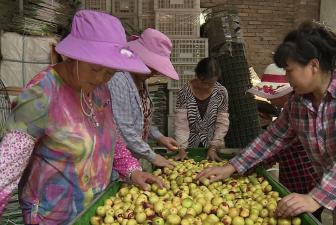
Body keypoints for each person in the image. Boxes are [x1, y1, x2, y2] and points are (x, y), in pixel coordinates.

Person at [197, 21, 336, 224]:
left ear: (313, 65)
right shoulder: (299, 102)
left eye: (289, 70)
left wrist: (314, 198)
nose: (286, 77)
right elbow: (271, 139)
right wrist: (231, 167)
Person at [0, 10, 163, 224]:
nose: (101, 78)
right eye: (95, 68)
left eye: (110, 72)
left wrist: (131, 170)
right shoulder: (42, 95)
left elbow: (111, 137)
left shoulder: (100, 91)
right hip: (53, 216)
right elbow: (5, 172)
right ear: (72, 56)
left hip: (94, 211)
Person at [248, 63, 323, 221]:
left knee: (309, 216)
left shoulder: (301, 110)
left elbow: (276, 145)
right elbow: (271, 140)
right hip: (291, 176)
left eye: (273, 95)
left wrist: (250, 163)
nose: (269, 99)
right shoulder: (290, 109)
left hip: (308, 178)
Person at [108, 28, 179, 169]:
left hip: (133, 160)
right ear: (136, 56)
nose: (154, 72)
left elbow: (142, 120)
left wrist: (160, 137)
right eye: (151, 66)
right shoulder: (119, 80)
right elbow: (124, 129)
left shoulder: (140, 80)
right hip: (119, 162)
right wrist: (152, 156)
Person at [173, 57, 229, 161]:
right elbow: (181, 124)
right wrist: (181, 148)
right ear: (197, 76)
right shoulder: (184, 92)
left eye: (211, 83)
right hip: (189, 144)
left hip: (213, 143)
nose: (207, 87)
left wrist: (213, 147)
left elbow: (222, 122)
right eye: (204, 83)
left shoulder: (221, 92)